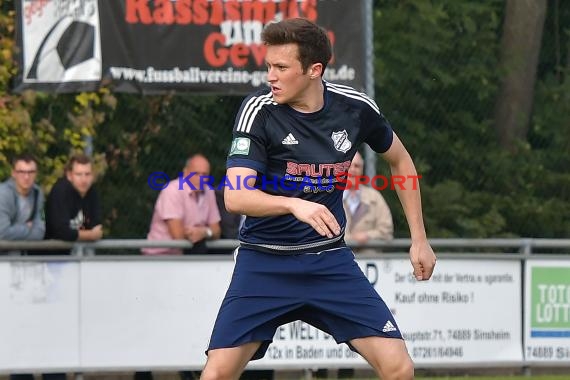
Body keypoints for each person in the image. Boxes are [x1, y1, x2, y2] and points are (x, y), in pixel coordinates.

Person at [201, 18, 436, 380]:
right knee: (217, 374)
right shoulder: (259, 112)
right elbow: (236, 196)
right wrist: (294, 204)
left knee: (399, 368)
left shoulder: (355, 109)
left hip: (330, 262)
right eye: (268, 66)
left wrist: (420, 239)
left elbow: (401, 161)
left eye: (281, 67)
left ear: (314, 70)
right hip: (265, 263)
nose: (270, 76)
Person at [142, 154, 221, 255]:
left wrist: (205, 232)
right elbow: (178, 235)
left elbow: (217, 231)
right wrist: (203, 232)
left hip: (189, 254)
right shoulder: (172, 191)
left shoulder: (209, 192)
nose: (201, 179)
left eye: (204, 175)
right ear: (185, 173)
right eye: (196, 174)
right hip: (160, 255)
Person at [43, 154, 102, 255]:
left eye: (87, 174)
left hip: (77, 254)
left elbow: (97, 227)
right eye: (78, 174)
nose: (84, 180)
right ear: (69, 175)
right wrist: (91, 235)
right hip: (50, 257)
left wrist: (88, 233)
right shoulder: (61, 191)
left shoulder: (92, 192)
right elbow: (61, 232)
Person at [343, 151, 394, 253]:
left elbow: (386, 231)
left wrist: (367, 236)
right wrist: (351, 239)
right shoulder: (331, 197)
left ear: (361, 170)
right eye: (349, 165)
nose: (352, 170)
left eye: (357, 166)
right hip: (339, 261)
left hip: (369, 260)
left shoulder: (374, 197)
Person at [0, 154, 45, 256]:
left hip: (23, 258)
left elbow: (41, 230)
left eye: (31, 172)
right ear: (13, 173)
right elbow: (2, 233)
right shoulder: (3, 194)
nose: (26, 177)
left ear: (36, 174)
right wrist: (27, 227)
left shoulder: (39, 194)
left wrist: (14, 229)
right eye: (21, 172)